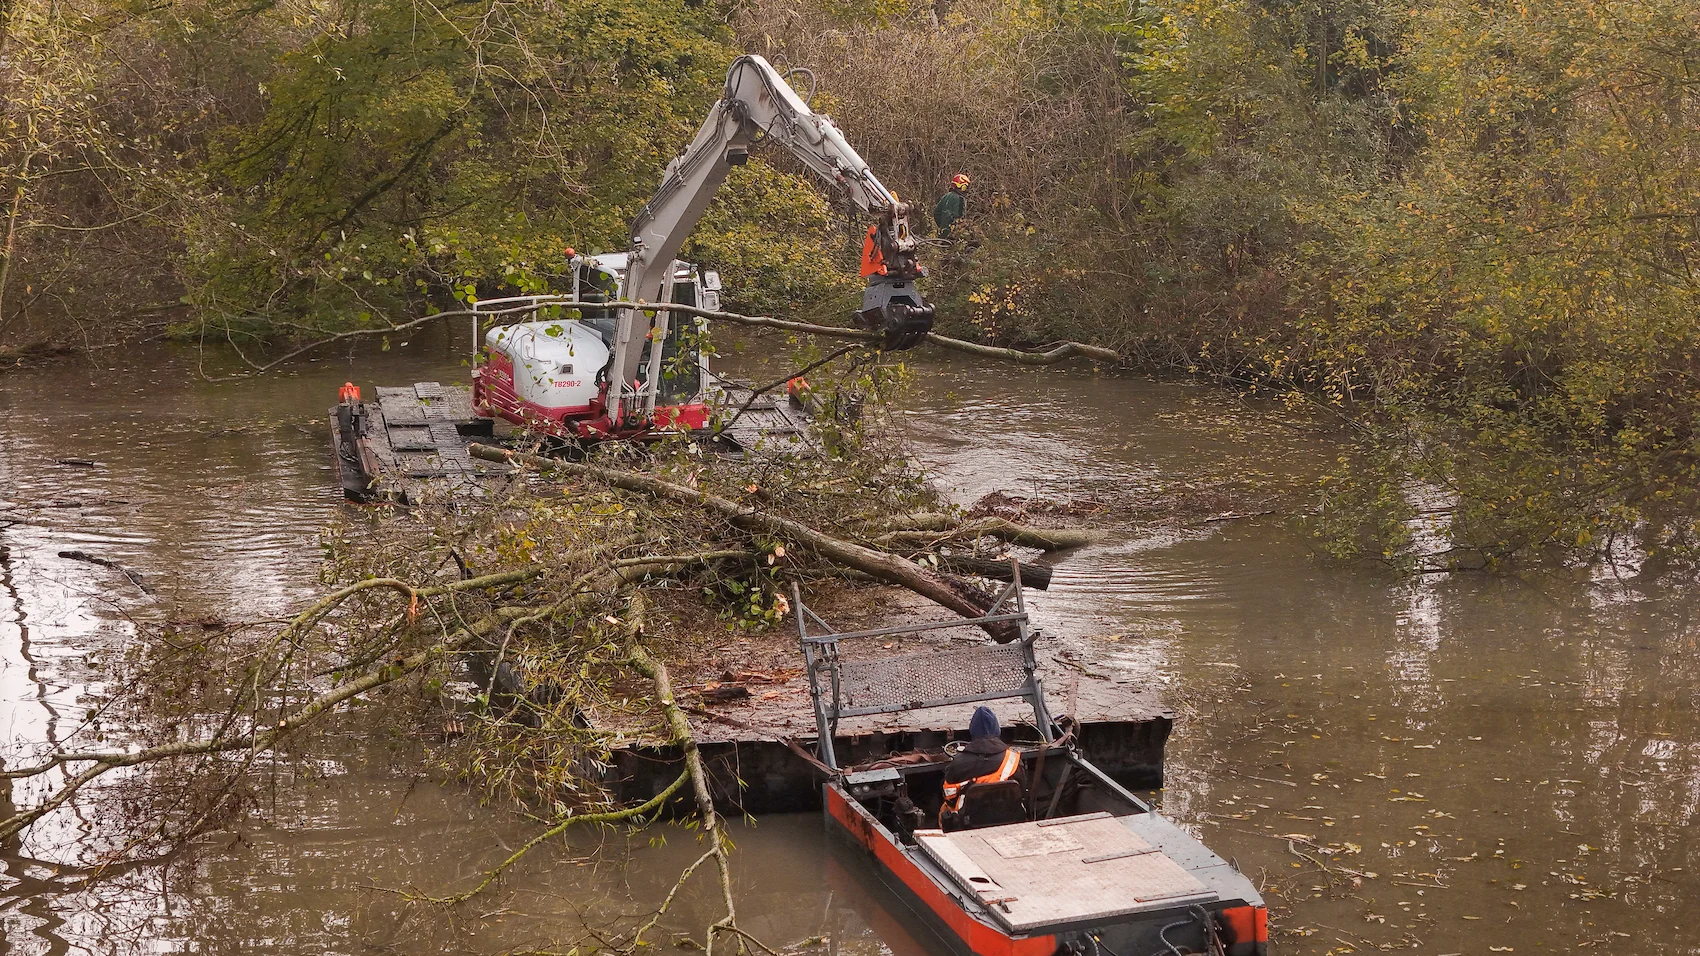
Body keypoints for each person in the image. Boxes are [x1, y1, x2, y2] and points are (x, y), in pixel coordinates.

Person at [940, 705, 1021, 825]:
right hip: (1009, 820)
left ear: (972, 731)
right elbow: (1022, 790)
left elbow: (949, 797)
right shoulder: (1014, 759)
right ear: (997, 730)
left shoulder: (958, 763)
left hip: (967, 824)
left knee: (943, 810)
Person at [933, 173, 970, 239]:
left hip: (942, 234)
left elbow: (936, 213)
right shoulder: (959, 199)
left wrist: (942, 226)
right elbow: (959, 218)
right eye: (965, 187)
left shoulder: (946, 196)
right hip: (953, 236)